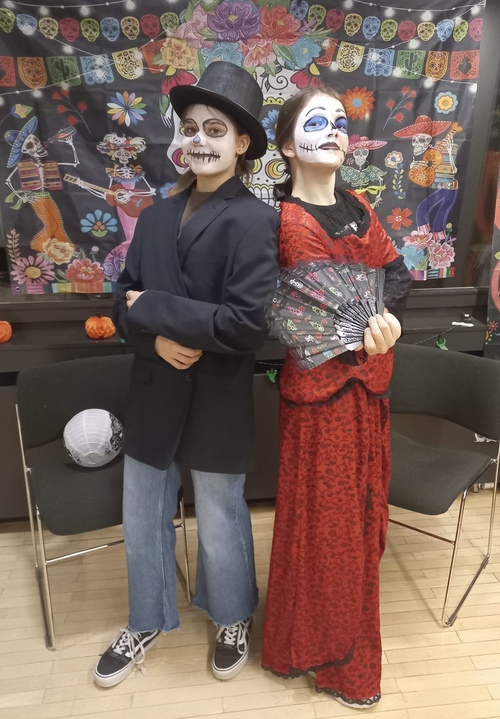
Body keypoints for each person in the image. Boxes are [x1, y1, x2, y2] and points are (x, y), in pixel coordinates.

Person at [94, 61, 279, 688]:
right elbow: (122, 303)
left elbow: (246, 326)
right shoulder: (152, 218)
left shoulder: (255, 221)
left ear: (242, 142)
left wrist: (156, 310)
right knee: (142, 514)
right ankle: (145, 618)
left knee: (222, 517)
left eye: (215, 130)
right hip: (154, 387)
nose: (200, 140)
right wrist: (155, 337)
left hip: (218, 396)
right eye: (192, 128)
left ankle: (232, 616)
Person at [261, 86, 411, 709]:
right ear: (287, 144)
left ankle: (306, 639)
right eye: (317, 121)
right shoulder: (288, 222)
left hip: (369, 394)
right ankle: (338, 661)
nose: (333, 131)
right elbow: (322, 321)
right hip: (322, 403)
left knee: (361, 520)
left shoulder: (359, 205)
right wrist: (371, 327)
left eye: (341, 122)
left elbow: (395, 275)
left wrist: (381, 320)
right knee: (329, 531)